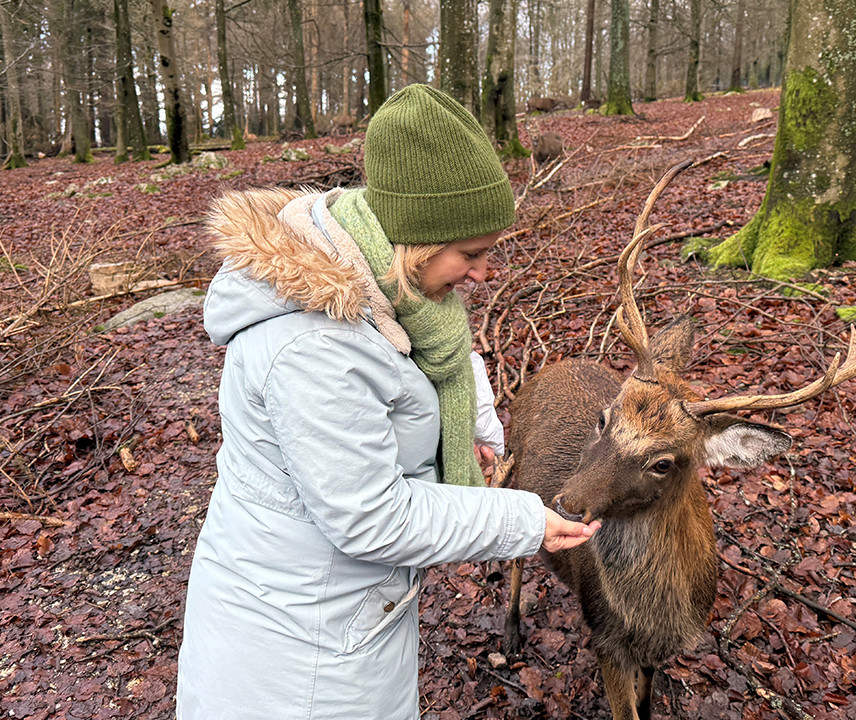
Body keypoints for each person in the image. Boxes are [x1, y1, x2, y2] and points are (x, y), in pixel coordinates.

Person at [176, 84, 598, 719]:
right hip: (298, 655)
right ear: (417, 241)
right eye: (473, 254)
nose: (485, 274)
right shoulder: (312, 349)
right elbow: (371, 517)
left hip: (346, 618)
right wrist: (523, 520)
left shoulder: (394, 302)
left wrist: (454, 442)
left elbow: (410, 387)